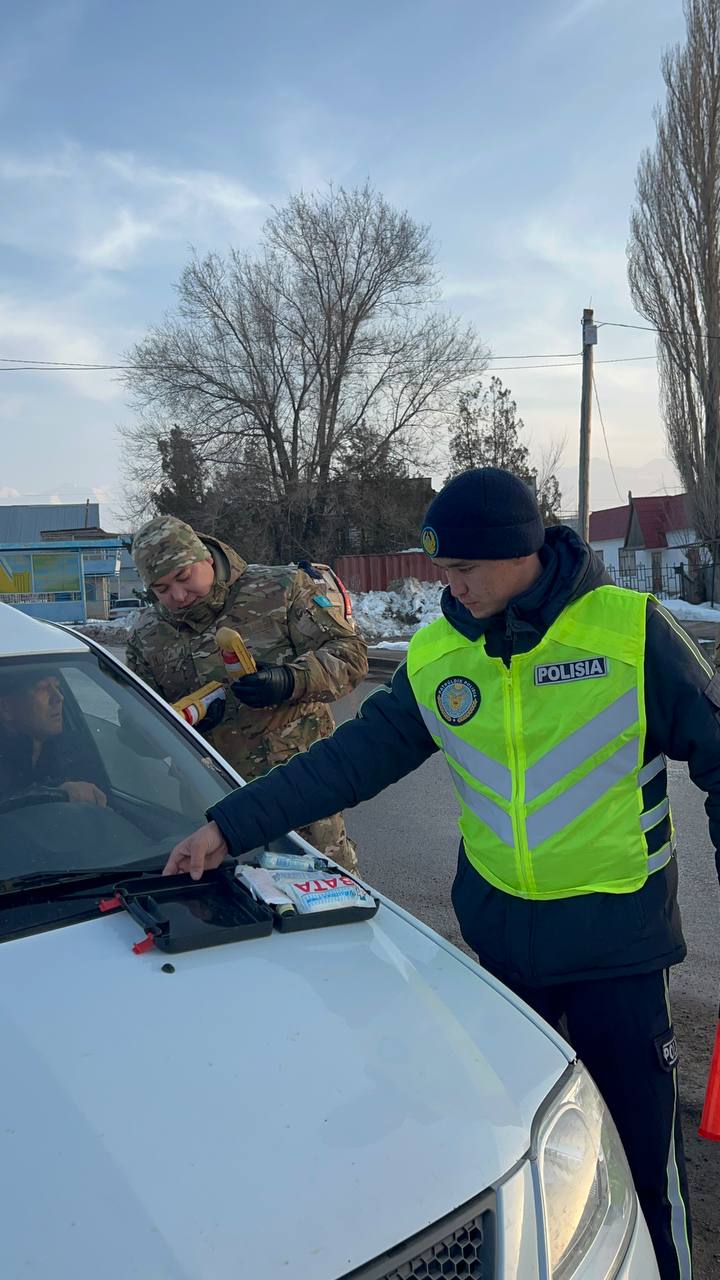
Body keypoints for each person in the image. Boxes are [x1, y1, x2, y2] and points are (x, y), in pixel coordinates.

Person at [163, 467, 720, 1280]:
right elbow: (348, 761)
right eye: (443, 570)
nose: (450, 588)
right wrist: (229, 825)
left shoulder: (630, 630)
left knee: (642, 1167)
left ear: (522, 552)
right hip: (503, 954)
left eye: (464, 569)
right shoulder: (438, 653)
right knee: (518, 1155)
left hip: (620, 949)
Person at [127, 515, 367, 871]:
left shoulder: (280, 588)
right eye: (161, 589)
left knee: (324, 892)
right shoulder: (147, 635)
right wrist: (179, 724)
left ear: (206, 558)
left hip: (296, 791)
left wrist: (289, 680)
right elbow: (134, 724)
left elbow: (350, 655)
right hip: (207, 804)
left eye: (184, 577)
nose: (177, 595)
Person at [0, 670, 107, 805]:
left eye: (57, 687)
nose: (59, 697)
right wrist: (55, 793)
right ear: (6, 708)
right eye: (43, 688)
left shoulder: (74, 751)